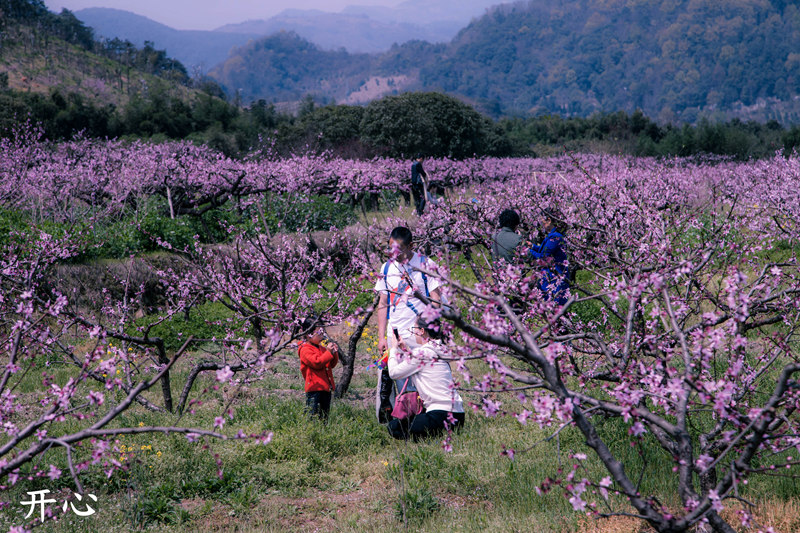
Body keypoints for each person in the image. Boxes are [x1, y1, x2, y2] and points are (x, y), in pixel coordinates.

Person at [374, 227, 442, 422]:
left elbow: (436, 299)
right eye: (390, 249)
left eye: (399, 250)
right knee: (401, 377)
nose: (394, 254)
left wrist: (430, 329)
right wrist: (381, 337)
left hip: (420, 333)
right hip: (395, 333)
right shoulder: (386, 268)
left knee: (424, 377)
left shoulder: (425, 264)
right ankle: (406, 419)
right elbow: (383, 304)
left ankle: (426, 418)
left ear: (411, 246)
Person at [387, 316, 465, 440]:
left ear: (422, 331)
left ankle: (429, 437)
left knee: (393, 427)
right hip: (458, 416)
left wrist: (393, 349)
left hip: (439, 415)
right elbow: (423, 364)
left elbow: (394, 373)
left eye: (414, 329)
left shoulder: (422, 353)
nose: (413, 333)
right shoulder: (440, 350)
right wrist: (407, 349)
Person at [298, 316, 339, 420]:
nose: (322, 335)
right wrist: (328, 352)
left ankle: (323, 433)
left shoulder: (321, 348)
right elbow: (317, 362)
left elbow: (330, 365)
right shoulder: (304, 349)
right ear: (308, 334)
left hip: (325, 388)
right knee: (312, 415)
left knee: (324, 417)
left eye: (322, 332)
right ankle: (311, 434)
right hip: (314, 389)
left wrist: (334, 353)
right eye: (318, 332)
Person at [529, 208, 569, 305]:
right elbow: (546, 250)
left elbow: (543, 257)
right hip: (551, 276)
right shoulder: (553, 235)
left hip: (554, 278)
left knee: (554, 308)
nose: (541, 222)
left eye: (542, 219)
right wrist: (532, 247)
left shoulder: (555, 237)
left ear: (549, 220)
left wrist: (527, 251)